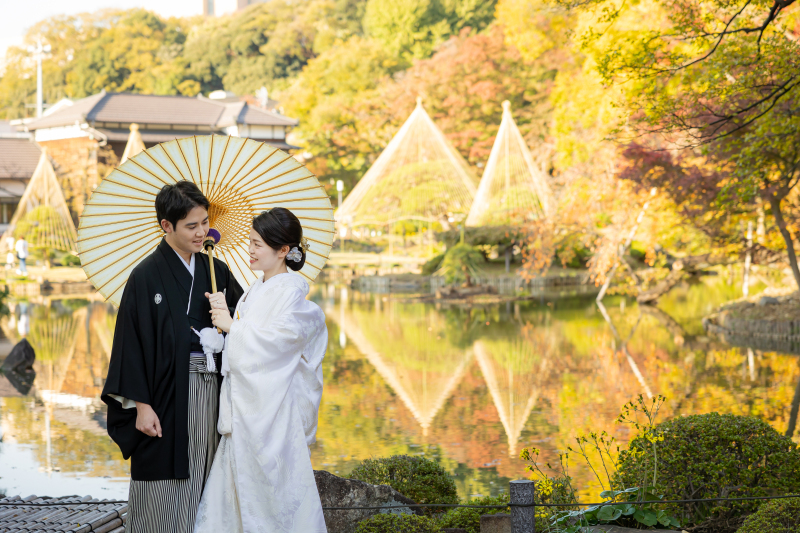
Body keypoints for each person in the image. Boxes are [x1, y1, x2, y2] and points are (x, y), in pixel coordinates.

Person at [101, 181, 244, 533]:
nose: (202, 233)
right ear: (166, 225)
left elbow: (246, 329)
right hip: (164, 396)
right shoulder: (145, 276)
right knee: (163, 475)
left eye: (205, 223)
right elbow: (130, 345)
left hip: (214, 392)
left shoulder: (217, 271)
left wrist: (228, 317)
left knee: (213, 471)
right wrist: (141, 405)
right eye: (191, 226)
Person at [195, 207, 328, 533]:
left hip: (272, 417)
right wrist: (227, 317)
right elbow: (249, 339)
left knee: (272, 505)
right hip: (246, 411)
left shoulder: (289, 292)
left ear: (283, 250)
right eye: (251, 242)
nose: (250, 250)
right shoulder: (257, 289)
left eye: (257, 244)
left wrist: (233, 327)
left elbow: (280, 344)